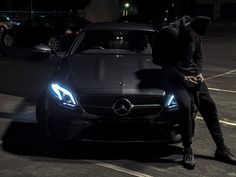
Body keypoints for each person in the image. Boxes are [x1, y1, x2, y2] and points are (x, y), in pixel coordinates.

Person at [153, 15, 236, 169]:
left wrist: (199, 72)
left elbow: (198, 55)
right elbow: (159, 60)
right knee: (186, 107)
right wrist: (182, 78)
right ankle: (187, 150)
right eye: (195, 34)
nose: (196, 38)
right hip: (175, 78)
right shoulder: (170, 33)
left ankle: (221, 148)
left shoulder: (198, 30)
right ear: (189, 26)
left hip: (194, 76)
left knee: (210, 107)